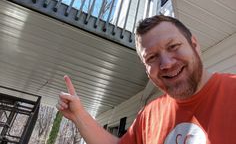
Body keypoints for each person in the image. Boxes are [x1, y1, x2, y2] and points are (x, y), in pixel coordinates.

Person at [57, 15, 236, 144]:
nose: (166, 64)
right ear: (146, 69)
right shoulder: (149, 114)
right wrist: (79, 116)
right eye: (151, 57)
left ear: (194, 45)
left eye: (173, 46)